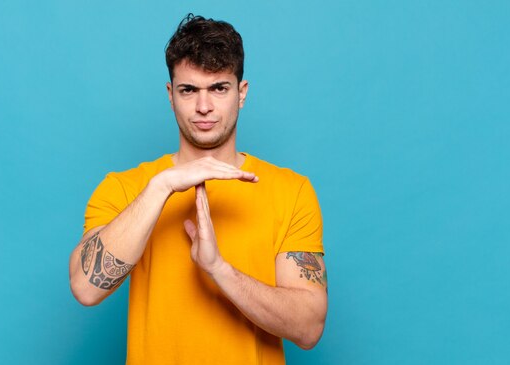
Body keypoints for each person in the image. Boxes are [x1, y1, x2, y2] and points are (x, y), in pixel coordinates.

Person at [69, 14, 327, 364]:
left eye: (219, 88)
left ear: (242, 93)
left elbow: (309, 328)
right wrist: (162, 186)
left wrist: (220, 270)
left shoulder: (291, 191)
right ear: (170, 94)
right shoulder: (124, 187)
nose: (203, 107)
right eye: (188, 90)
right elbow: (86, 288)